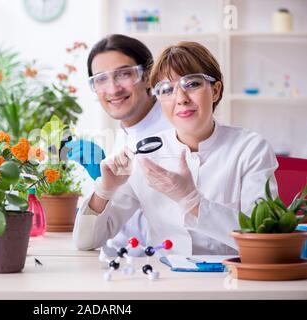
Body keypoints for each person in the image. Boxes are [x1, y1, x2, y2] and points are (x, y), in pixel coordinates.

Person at [73, 41, 279, 256]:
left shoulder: (250, 149)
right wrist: (104, 190)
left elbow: (265, 241)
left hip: (231, 280)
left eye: (192, 84)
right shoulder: (144, 155)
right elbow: (85, 241)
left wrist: (192, 200)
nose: (180, 98)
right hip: (163, 281)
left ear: (216, 90)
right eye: (167, 90)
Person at [65, 34, 172, 256]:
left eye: (124, 74)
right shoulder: (126, 132)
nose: (113, 89)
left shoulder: (176, 130)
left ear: (148, 77)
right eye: (101, 79)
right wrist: (103, 186)